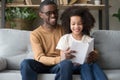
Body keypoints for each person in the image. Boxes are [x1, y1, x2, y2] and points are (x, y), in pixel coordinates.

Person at [56, 6, 108, 80]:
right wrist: (65, 55)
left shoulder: (88, 39)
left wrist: (94, 54)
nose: (76, 27)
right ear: (68, 24)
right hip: (71, 67)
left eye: (79, 24)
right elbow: (62, 58)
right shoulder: (65, 38)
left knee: (92, 65)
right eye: (73, 24)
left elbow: (93, 53)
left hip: (84, 66)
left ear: (85, 24)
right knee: (66, 64)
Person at [20, 0, 64, 80]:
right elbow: (39, 57)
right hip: (42, 65)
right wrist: (59, 59)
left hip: (59, 65)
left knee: (66, 64)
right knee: (26, 63)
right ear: (41, 15)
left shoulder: (64, 30)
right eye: (48, 13)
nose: (53, 15)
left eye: (55, 12)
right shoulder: (35, 34)